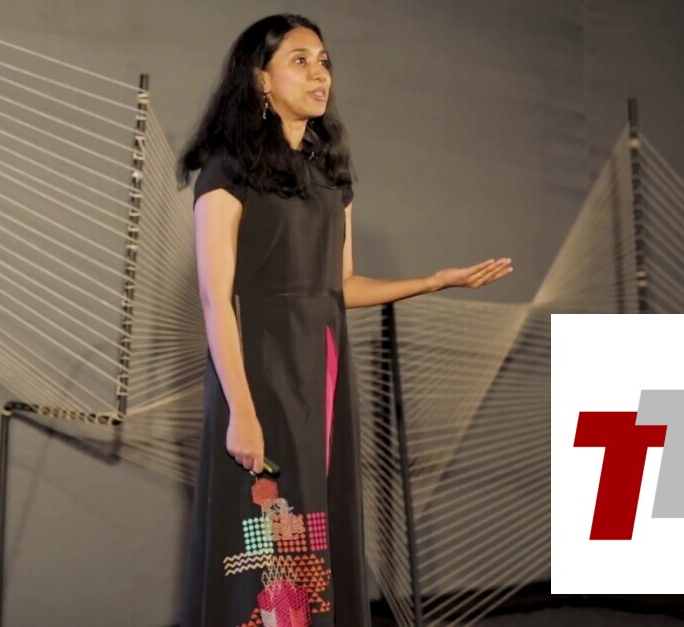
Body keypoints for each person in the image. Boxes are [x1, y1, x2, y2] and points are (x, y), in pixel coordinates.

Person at [176, 14, 512, 626]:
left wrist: (433, 281)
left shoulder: (331, 174)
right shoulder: (227, 171)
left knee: (320, 518)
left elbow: (341, 285)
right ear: (260, 79)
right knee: (268, 533)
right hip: (258, 373)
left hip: (323, 372)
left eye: (324, 61)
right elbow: (214, 298)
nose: (319, 74)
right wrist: (241, 412)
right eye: (300, 60)